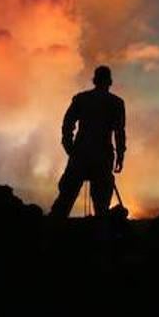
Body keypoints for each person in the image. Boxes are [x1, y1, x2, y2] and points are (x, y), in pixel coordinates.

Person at [49, 65, 126, 218]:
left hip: (80, 154)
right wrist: (120, 156)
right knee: (101, 205)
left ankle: (52, 234)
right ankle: (101, 238)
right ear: (109, 82)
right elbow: (119, 132)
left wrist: (70, 147)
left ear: (95, 81)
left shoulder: (81, 99)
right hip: (102, 156)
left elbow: (67, 124)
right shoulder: (116, 103)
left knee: (65, 199)